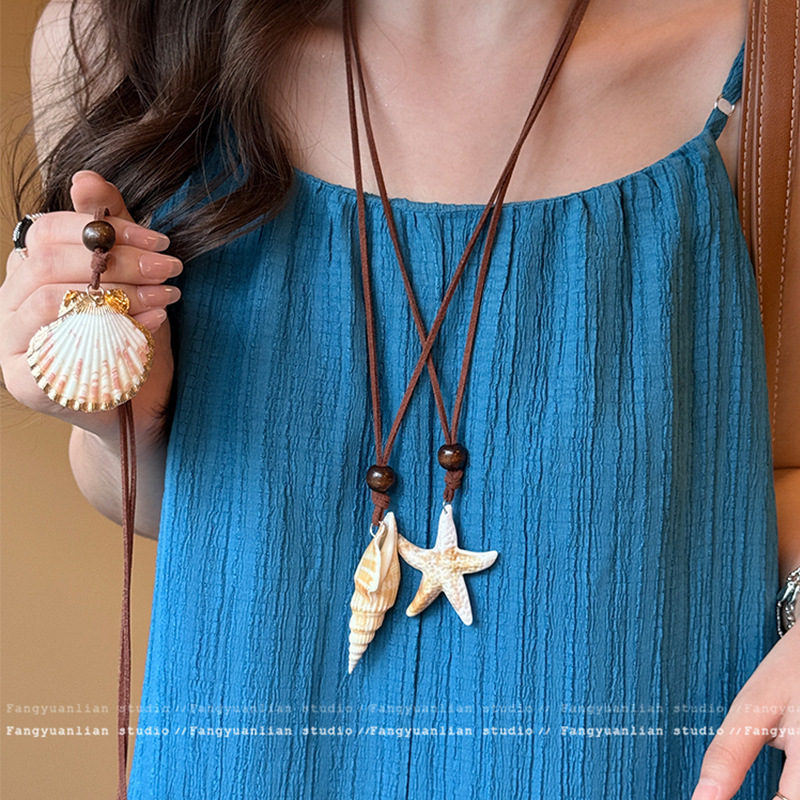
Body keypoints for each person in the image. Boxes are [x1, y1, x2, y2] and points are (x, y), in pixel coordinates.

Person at [2, 0, 799, 797]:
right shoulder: (130, 39)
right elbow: (187, 512)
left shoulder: (769, 64)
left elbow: (774, 477)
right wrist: (118, 418)